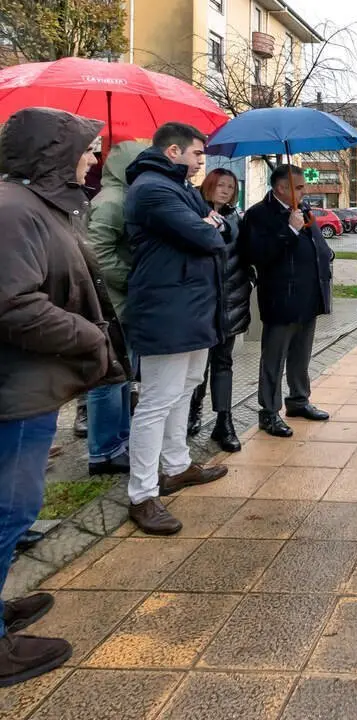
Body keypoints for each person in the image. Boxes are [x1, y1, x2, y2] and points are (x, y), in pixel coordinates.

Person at [0, 106, 129, 686]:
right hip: (16, 390)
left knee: (13, 507)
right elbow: (13, 305)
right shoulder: (12, 212)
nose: (94, 157)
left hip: (31, 383)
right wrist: (88, 333)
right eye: (86, 147)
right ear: (53, 153)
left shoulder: (36, 207)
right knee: (9, 511)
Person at [124, 122, 229, 535]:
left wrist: (210, 225)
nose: (202, 160)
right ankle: (143, 494)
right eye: (196, 154)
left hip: (192, 308)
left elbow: (218, 228)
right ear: (173, 151)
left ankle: (177, 465)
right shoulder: (153, 188)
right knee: (156, 401)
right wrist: (208, 227)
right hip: (167, 309)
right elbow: (206, 236)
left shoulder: (178, 187)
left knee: (184, 388)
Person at [242, 164, 333, 438]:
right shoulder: (259, 214)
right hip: (282, 299)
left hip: (309, 296)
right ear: (282, 188)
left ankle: (299, 400)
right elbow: (257, 254)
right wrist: (290, 231)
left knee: (301, 355)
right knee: (274, 357)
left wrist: (326, 256)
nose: (305, 191)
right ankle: (269, 412)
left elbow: (317, 245)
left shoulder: (303, 211)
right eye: (300, 187)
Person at [84, 140, 149, 476]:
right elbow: (98, 253)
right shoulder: (112, 201)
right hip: (111, 304)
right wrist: (131, 279)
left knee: (121, 376)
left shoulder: (121, 196)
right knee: (109, 379)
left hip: (121, 303)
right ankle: (104, 451)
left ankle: (117, 442)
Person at [187, 168, 252, 452]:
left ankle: (224, 421)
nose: (225, 190)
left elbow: (242, 249)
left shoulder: (235, 218)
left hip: (231, 302)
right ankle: (192, 411)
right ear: (208, 185)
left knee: (223, 362)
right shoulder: (191, 212)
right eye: (220, 184)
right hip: (201, 303)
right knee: (196, 366)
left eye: (230, 186)